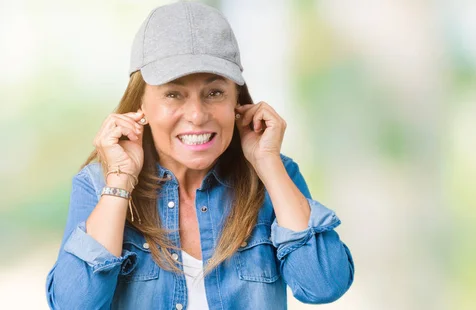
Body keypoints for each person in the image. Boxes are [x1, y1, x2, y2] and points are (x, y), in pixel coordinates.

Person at [44, 2, 354, 309]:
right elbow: (74, 304)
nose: (196, 114)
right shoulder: (98, 185)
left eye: (214, 92)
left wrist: (268, 164)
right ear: (141, 106)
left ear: (237, 101)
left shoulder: (274, 175)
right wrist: (120, 182)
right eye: (173, 94)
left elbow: (323, 285)